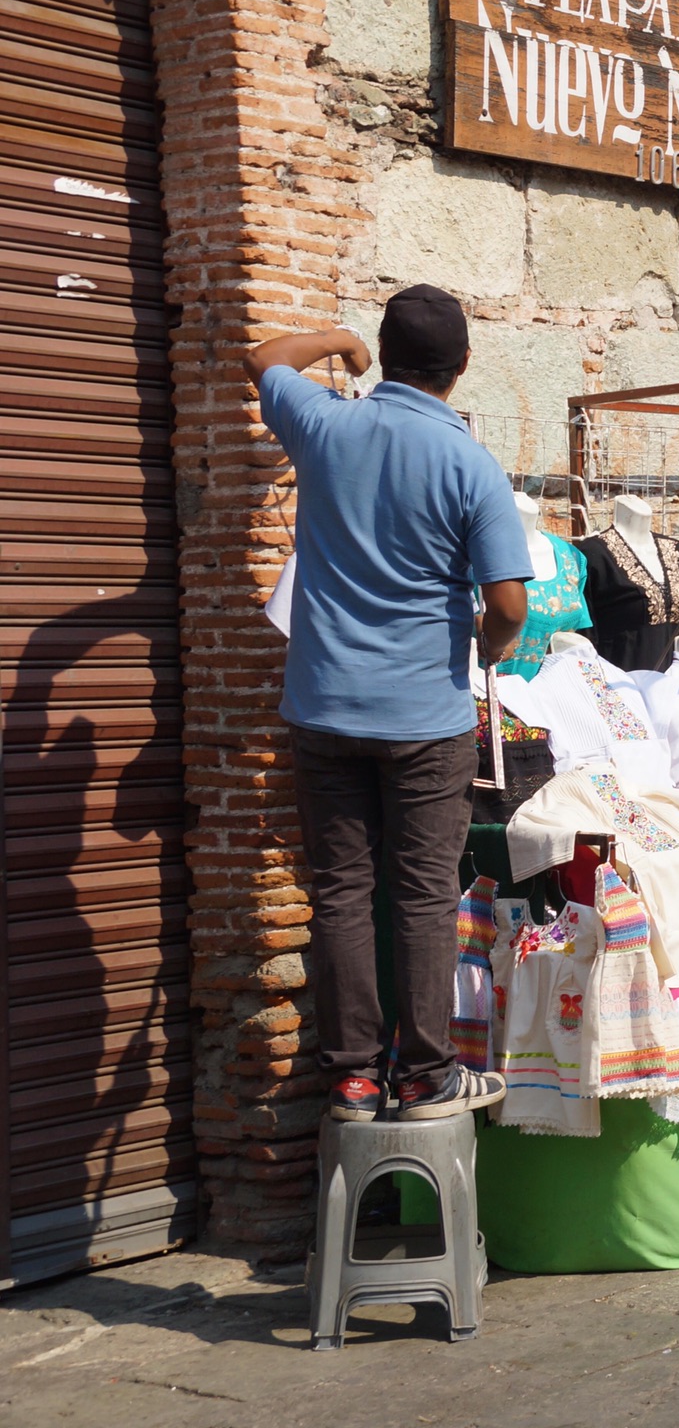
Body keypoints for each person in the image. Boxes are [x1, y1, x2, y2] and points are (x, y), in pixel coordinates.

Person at [246, 286, 529, 1123]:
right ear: (462, 366)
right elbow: (508, 605)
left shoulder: (325, 425)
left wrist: (338, 341)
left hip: (324, 709)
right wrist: (490, 645)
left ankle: (353, 1078)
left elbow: (263, 358)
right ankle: (426, 1075)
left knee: (340, 891)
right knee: (422, 895)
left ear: (386, 348)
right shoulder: (470, 464)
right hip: (425, 723)